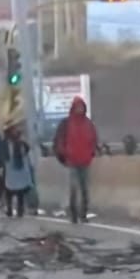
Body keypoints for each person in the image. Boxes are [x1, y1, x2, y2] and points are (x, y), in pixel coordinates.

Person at [53, 96, 98, 224]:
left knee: (84, 189)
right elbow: (60, 140)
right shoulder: (66, 123)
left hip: (85, 160)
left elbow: (94, 139)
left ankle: (83, 214)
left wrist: (91, 152)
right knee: (74, 189)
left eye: (81, 107)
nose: (80, 110)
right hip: (72, 161)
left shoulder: (88, 124)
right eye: (78, 107)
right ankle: (73, 214)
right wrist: (64, 153)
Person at [2, 126, 35, 218]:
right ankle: (10, 209)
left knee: (19, 190)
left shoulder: (22, 143)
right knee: (10, 190)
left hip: (18, 171)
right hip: (10, 170)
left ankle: (19, 210)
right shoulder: (6, 144)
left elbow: (27, 155)